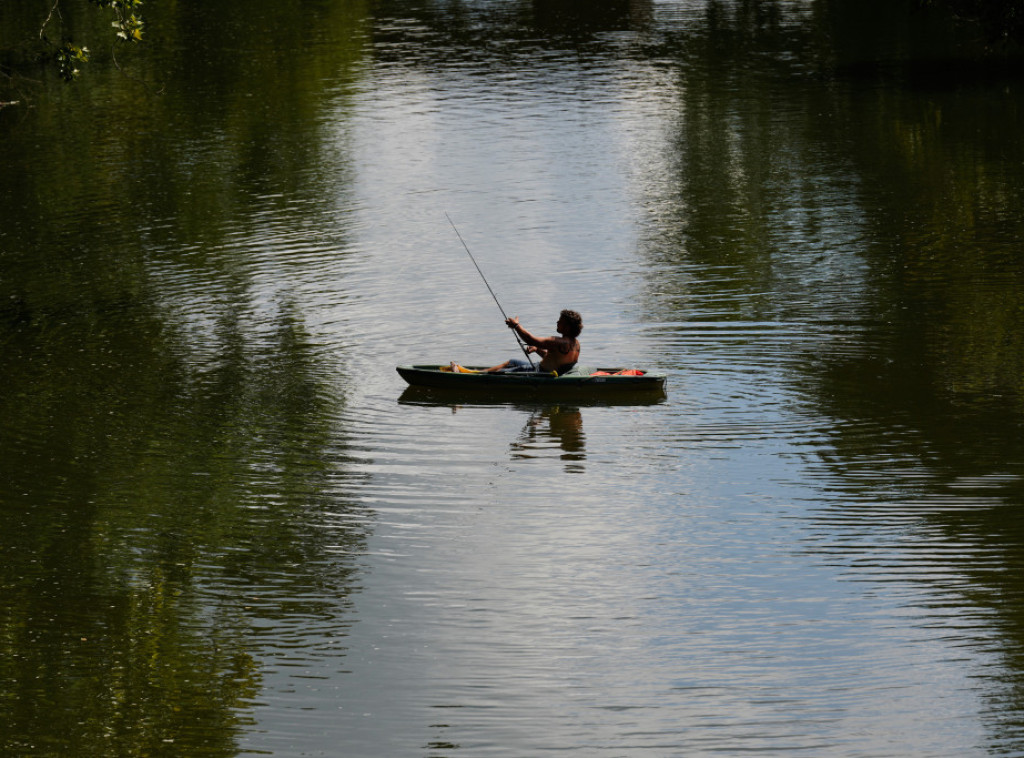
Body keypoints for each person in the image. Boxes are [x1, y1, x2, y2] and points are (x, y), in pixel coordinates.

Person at [450, 309, 583, 375]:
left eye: (560, 321)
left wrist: (516, 326)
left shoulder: (559, 341)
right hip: (543, 369)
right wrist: (537, 350)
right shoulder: (576, 344)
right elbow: (555, 360)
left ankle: (471, 375)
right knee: (511, 362)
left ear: (567, 327)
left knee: (504, 373)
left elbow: (531, 339)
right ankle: (478, 372)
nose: (557, 322)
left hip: (540, 373)